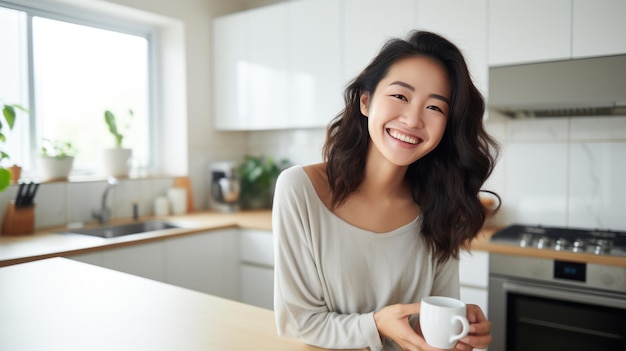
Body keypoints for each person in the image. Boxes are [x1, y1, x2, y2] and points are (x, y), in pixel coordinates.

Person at [272, 30, 499, 351]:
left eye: (435, 108)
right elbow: (299, 321)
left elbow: (429, 326)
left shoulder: (444, 205)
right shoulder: (300, 190)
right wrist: (376, 325)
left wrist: (459, 332)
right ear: (365, 101)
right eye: (400, 96)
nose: (412, 119)